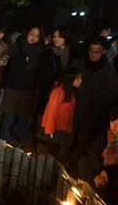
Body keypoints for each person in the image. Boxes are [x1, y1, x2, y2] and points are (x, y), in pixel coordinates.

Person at [70, 36, 118, 166]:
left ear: (103, 52)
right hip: (75, 109)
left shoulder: (108, 70)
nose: (94, 54)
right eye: (91, 50)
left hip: (95, 113)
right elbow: (68, 81)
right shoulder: (79, 64)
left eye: (98, 51)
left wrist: (101, 107)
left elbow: (112, 92)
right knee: (70, 138)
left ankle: (75, 165)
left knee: (84, 142)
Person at [0, 26, 44, 148]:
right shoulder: (18, 45)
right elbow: (7, 54)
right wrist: (4, 58)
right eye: (31, 34)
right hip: (13, 87)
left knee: (23, 119)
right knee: (9, 117)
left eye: (36, 36)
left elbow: (41, 71)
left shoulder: (40, 51)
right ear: (26, 34)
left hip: (28, 90)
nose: (33, 38)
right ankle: (3, 141)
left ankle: (21, 143)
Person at [36, 66, 82, 160]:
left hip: (61, 131)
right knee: (45, 158)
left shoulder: (71, 93)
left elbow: (69, 114)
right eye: (79, 78)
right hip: (52, 131)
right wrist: (49, 130)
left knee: (54, 158)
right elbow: (51, 111)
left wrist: (68, 129)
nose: (80, 81)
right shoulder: (58, 92)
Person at [77, 107, 118, 205]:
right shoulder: (106, 135)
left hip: (113, 176)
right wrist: (100, 171)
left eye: (117, 124)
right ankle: (92, 187)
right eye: (112, 123)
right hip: (100, 170)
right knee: (83, 161)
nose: (114, 127)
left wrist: (107, 173)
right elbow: (93, 151)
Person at [35, 27, 71, 115]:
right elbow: (40, 73)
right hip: (49, 91)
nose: (56, 39)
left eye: (59, 36)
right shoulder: (46, 53)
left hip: (67, 91)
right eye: (54, 36)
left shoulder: (73, 53)